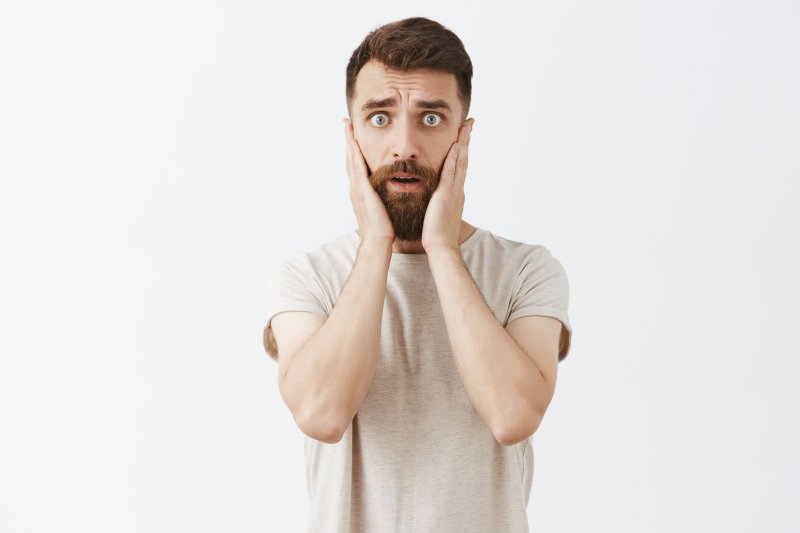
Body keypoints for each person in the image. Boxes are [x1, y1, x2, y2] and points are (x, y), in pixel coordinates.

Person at [263, 16, 573, 533]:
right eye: (380, 118)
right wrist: (377, 243)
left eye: (430, 119)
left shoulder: (527, 270)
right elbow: (322, 415)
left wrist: (442, 249)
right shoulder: (308, 276)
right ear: (352, 134)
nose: (404, 146)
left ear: (463, 133)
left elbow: (514, 416)